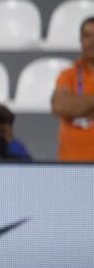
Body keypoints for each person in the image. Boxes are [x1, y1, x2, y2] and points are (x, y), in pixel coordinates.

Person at [52, 16, 94, 163]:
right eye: (87, 36)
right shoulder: (68, 74)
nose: (92, 41)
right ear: (80, 40)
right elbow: (60, 106)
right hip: (71, 166)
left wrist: (78, 105)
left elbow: (69, 107)